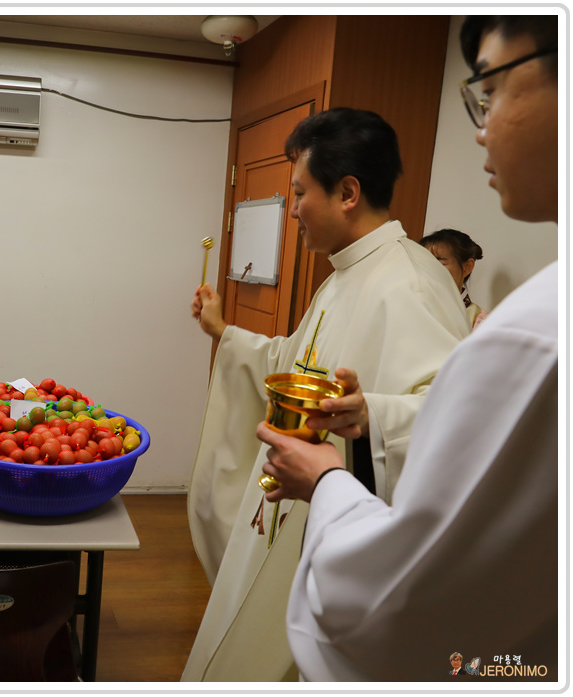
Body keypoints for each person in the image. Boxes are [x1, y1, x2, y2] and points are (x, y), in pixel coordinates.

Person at [257, 15, 558, 681]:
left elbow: (412, 589)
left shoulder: (477, 309)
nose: (480, 127)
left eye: (491, 90)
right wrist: (368, 412)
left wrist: (329, 477)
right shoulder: (345, 273)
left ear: (347, 191)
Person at [183, 108, 472, 681]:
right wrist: (226, 333)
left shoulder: (411, 282)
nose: (291, 210)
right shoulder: (347, 274)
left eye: (298, 193)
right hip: (297, 509)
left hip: (337, 526)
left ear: (347, 193)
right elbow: (295, 364)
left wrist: (372, 416)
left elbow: (460, 422)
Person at [420, 228, 489, 328]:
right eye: (423, 263)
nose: (428, 269)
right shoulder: (410, 306)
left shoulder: (482, 322)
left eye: (439, 263)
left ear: (467, 267)